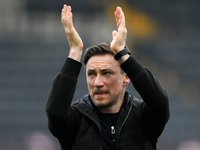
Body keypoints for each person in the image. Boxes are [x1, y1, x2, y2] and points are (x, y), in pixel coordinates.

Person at [46, 4, 170, 150]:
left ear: (126, 78)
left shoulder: (142, 117)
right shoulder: (76, 119)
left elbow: (160, 104)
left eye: (106, 73)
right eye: (91, 74)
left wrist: (123, 54)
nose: (97, 82)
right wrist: (74, 51)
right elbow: (55, 113)